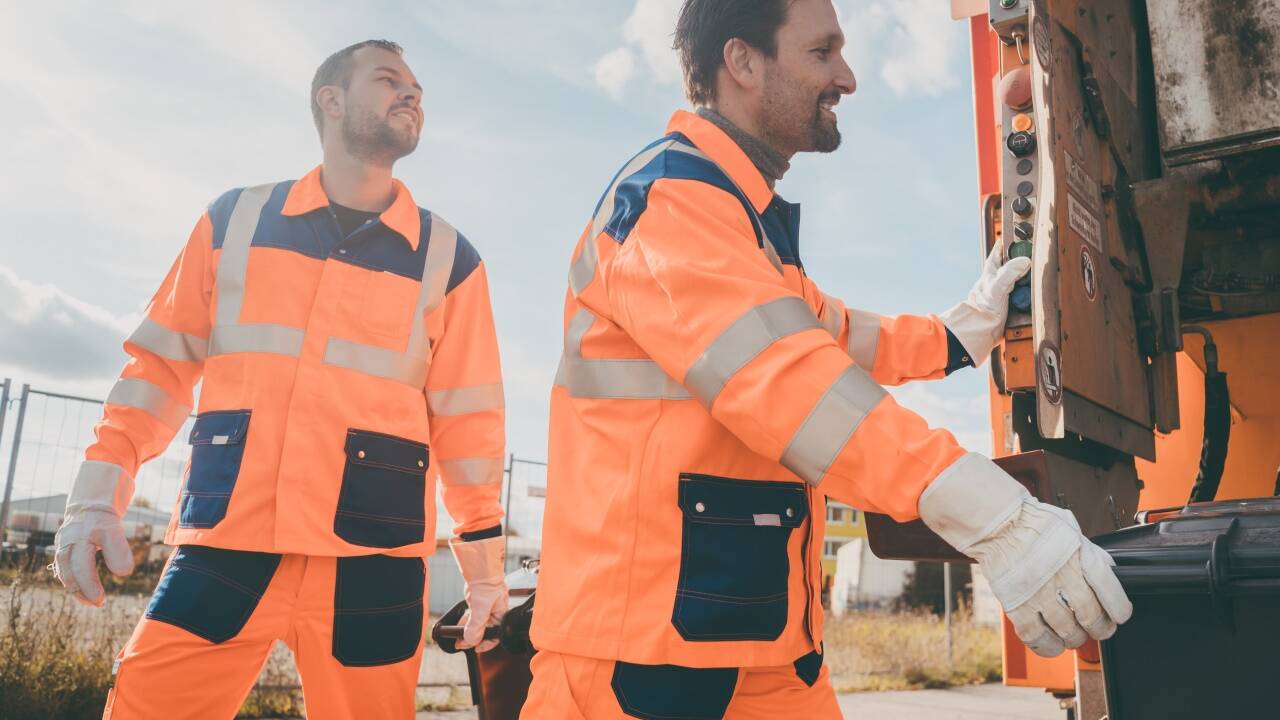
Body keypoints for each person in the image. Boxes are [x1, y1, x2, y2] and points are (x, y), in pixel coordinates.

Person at [523, 1, 1132, 716]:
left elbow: (833, 334)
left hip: (757, 642)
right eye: (822, 53)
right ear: (743, 63)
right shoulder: (670, 204)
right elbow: (789, 382)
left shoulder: (738, 223)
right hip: (643, 667)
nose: (846, 77)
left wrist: (959, 332)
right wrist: (996, 518)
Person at [52, 39, 508, 719]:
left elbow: (469, 423)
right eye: (389, 80)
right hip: (230, 540)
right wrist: (96, 498)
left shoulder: (449, 258)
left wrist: (484, 570)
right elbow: (158, 370)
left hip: (371, 561)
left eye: (417, 87)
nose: (412, 94)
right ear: (330, 101)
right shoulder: (233, 222)